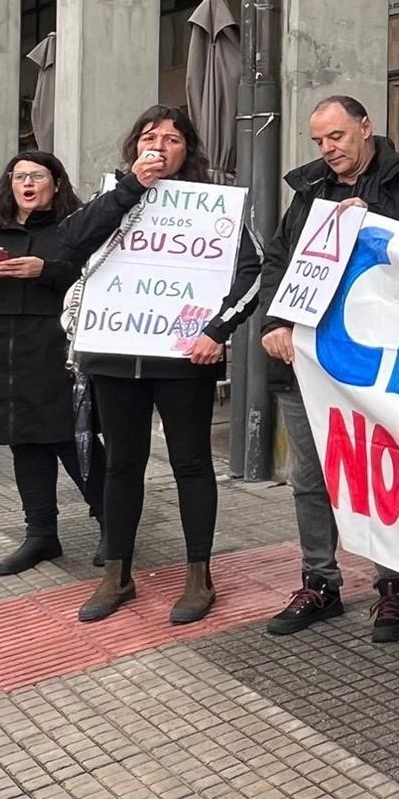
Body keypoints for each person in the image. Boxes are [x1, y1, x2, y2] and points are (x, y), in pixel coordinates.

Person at [56, 106, 262, 625]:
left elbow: (253, 269)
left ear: (187, 151)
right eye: (151, 137)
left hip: (182, 359)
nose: (160, 146)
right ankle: (117, 573)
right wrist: (130, 189)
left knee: (192, 463)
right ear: (134, 147)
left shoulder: (213, 205)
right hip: (115, 355)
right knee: (122, 463)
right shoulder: (112, 197)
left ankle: (199, 575)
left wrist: (219, 331)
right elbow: (69, 243)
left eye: (172, 139)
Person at [259, 96, 399, 641]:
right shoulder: (308, 192)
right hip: (307, 358)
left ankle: (393, 589)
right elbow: (279, 261)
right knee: (309, 478)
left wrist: (376, 228)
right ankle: (319, 581)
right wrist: (275, 323)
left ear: (366, 128)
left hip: (378, 366)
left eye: (337, 137)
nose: (328, 150)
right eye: (319, 141)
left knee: (382, 474)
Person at [0, 151, 92, 576]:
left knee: (71, 439)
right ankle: (41, 534)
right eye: (19, 176)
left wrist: (46, 270)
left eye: (37, 176)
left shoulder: (73, 227)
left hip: (53, 350)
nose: (27, 183)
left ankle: (112, 525)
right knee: (24, 441)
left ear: (57, 184)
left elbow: (91, 275)